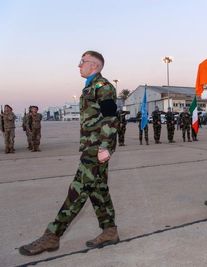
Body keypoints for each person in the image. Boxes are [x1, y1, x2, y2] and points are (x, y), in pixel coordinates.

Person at [19, 50, 120, 256]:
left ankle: (52, 235)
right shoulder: (89, 88)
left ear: (95, 66)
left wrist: (104, 147)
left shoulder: (103, 87)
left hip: (96, 149)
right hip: (91, 146)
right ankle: (110, 230)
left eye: (83, 62)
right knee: (97, 190)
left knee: (77, 190)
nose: (79, 65)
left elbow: (111, 117)